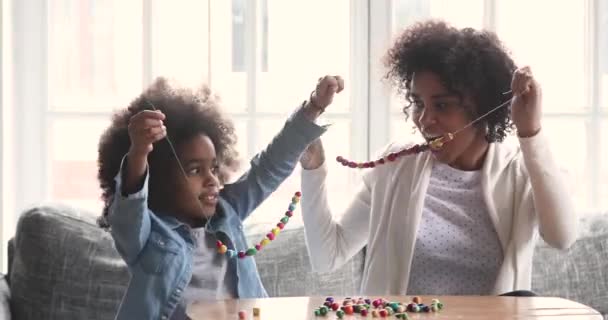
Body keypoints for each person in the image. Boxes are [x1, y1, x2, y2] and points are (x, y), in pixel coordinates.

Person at [298, 20, 577, 296]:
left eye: (442, 105)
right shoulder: (394, 167)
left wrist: (530, 133)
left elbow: (561, 237)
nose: (424, 120)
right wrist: (313, 171)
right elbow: (327, 256)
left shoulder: (520, 171)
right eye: (419, 103)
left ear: (483, 109)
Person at [96, 76, 344, 319]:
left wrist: (314, 107)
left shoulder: (228, 210)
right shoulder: (148, 235)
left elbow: (268, 169)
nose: (212, 180)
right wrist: (139, 152)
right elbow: (130, 209)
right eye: (195, 170)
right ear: (160, 181)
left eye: (213, 168)